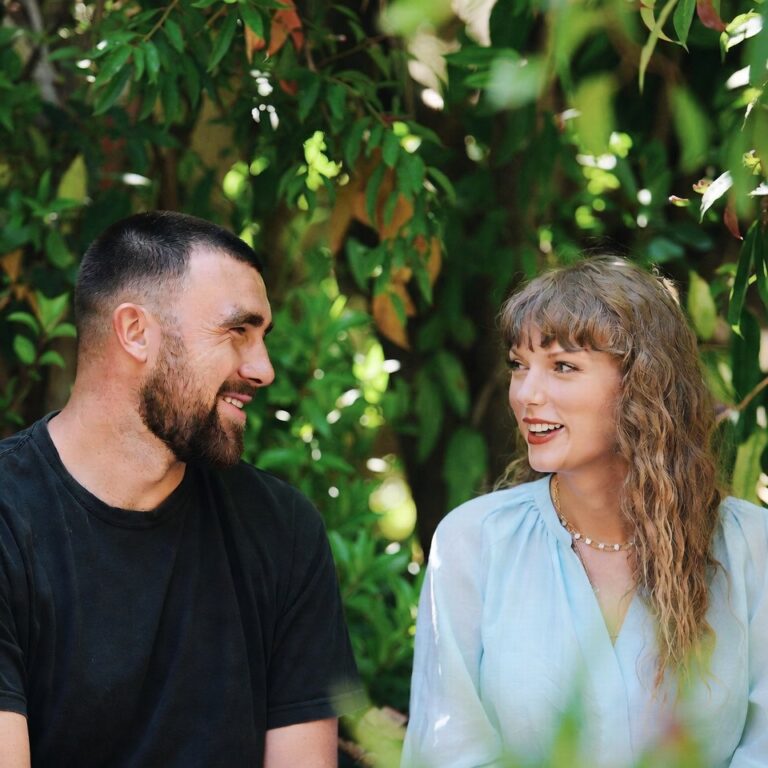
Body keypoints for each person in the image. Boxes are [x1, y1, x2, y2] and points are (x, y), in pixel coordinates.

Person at [0, 211, 361, 767]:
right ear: (135, 332)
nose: (263, 369)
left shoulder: (282, 530)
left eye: (262, 338)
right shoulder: (10, 518)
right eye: (237, 331)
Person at [402, 256, 768, 767]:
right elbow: (449, 752)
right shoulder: (473, 543)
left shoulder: (751, 545)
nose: (526, 394)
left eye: (563, 367)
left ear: (644, 384)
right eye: (518, 365)